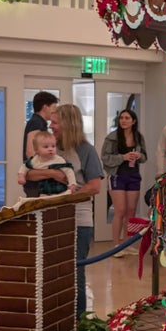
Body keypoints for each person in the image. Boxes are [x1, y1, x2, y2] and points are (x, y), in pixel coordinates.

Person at [25, 105, 102, 317]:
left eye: (55, 122)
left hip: (79, 220)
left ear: (69, 124)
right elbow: (30, 173)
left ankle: (78, 320)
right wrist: (55, 175)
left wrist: (69, 193)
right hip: (49, 218)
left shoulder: (86, 150)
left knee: (75, 271)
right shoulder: (49, 147)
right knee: (48, 270)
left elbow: (95, 186)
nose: (51, 126)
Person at [101, 109, 147, 256]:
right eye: (122, 118)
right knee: (120, 210)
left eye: (127, 118)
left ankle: (127, 243)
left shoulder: (139, 137)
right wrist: (123, 157)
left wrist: (139, 156)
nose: (124, 120)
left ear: (133, 121)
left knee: (131, 211)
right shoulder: (112, 138)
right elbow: (105, 157)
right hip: (117, 176)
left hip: (133, 176)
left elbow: (145, 157)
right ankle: (116, 245)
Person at [22, 91, 59, 196]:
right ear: (45, 107)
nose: (54, 111)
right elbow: (31, 151)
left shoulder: (38, 122)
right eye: (53, 107)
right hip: (36, 182)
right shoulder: (36, 123)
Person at [18, 130, 77, 195]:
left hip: (60, 191)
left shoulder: (58, 160)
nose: (50, 149)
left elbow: (69, 171)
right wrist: (21, 176)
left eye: (53, 146)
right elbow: (24, 167)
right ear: (36, 150)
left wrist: (72, 184)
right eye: (46, 147)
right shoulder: (35, 160)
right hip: (44, 192)